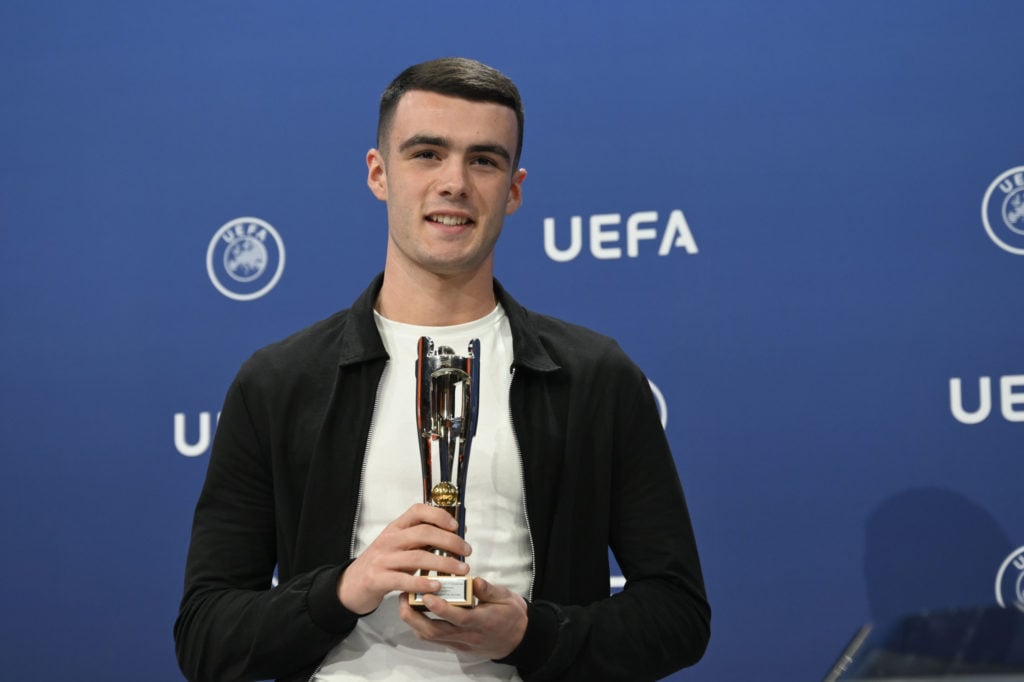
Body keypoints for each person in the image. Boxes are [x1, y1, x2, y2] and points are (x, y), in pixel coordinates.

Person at [174, 57, 710, 682]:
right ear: (379, 174)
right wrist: (346, 588)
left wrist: (529, 634)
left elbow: (678, 616)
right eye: (426, 153)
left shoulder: (594, 377)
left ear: (513, 190)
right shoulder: (279, 382)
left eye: (483, 160)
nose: (454, 182)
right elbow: (207, 636)